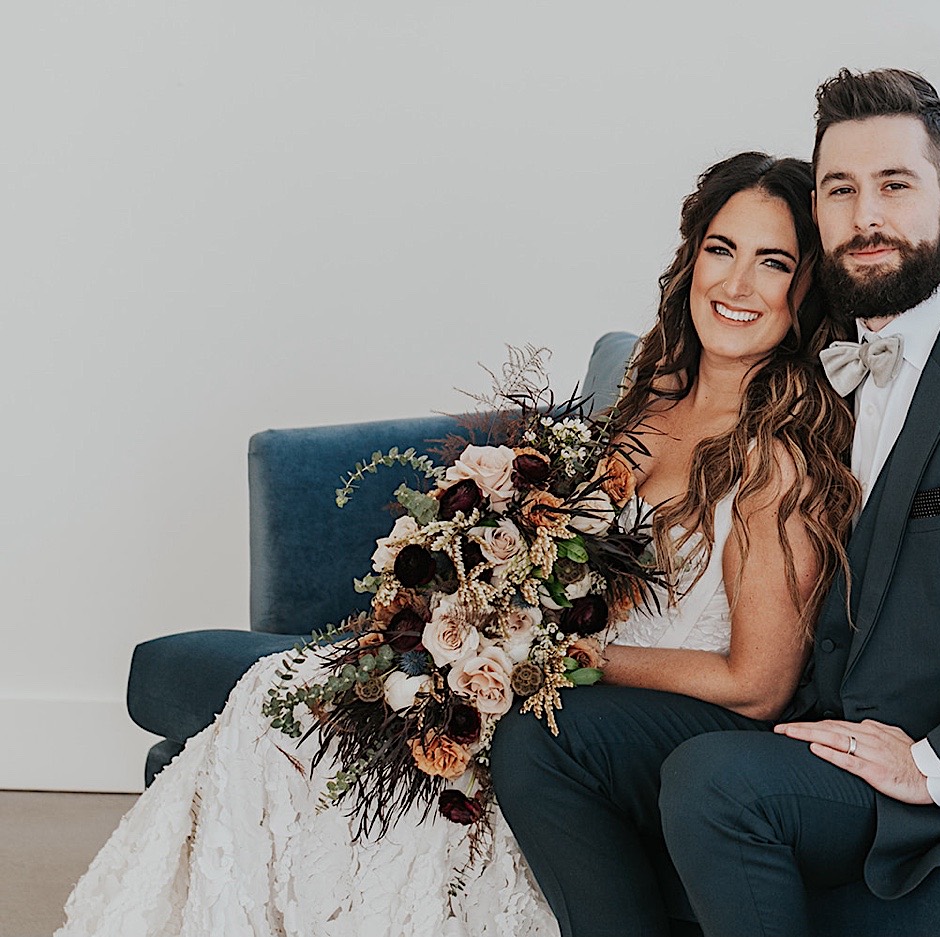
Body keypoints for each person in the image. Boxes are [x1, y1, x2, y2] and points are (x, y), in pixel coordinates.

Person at [55, 151, 859, 937]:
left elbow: (758, 682)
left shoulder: (776, 455)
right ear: (691, 261)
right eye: (721, 250)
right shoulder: (648, 398)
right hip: (529, 684)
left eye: (773, 262)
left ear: (807, 289)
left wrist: (557, 658)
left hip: (632, 722)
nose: (737, 284)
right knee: (285, 699)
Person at [497, 69, 940, 937]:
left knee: (712, 782)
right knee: (540, 734)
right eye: (841, 190)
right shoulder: (815, 361)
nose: (866, 216)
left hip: (896, 767)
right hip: (793, 727)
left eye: (896, 185)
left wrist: (939, 762)